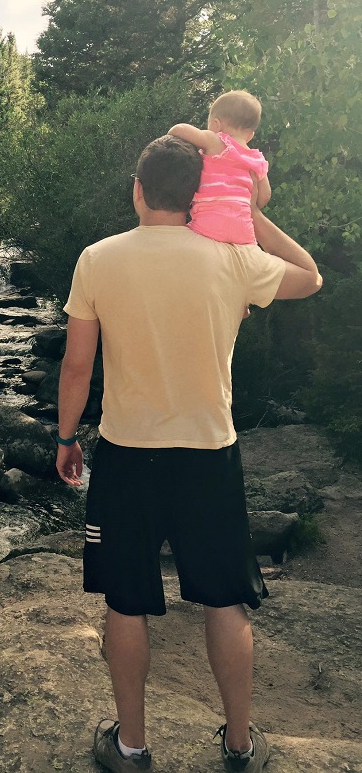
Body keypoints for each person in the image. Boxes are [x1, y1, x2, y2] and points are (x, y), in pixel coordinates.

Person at [55, 135, 322, 773]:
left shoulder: (99, 258)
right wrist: (252, 212)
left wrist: (67, 438)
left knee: (125, 600)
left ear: (139, 190)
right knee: (224, 599)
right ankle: (237, 747)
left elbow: (76, 364)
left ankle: (132, 747)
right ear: (197, 195)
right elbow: (310, 277)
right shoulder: (232, 259)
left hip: (126, 454)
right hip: (209, 455)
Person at [169, 90, 271, 246]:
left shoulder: (217, 140)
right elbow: (264, 197)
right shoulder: (257, 159)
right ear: (250, 135)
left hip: (208, 226)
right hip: (244, 233)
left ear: (216, 124)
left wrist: (171, 138)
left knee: (177, 240)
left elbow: (179, 129)